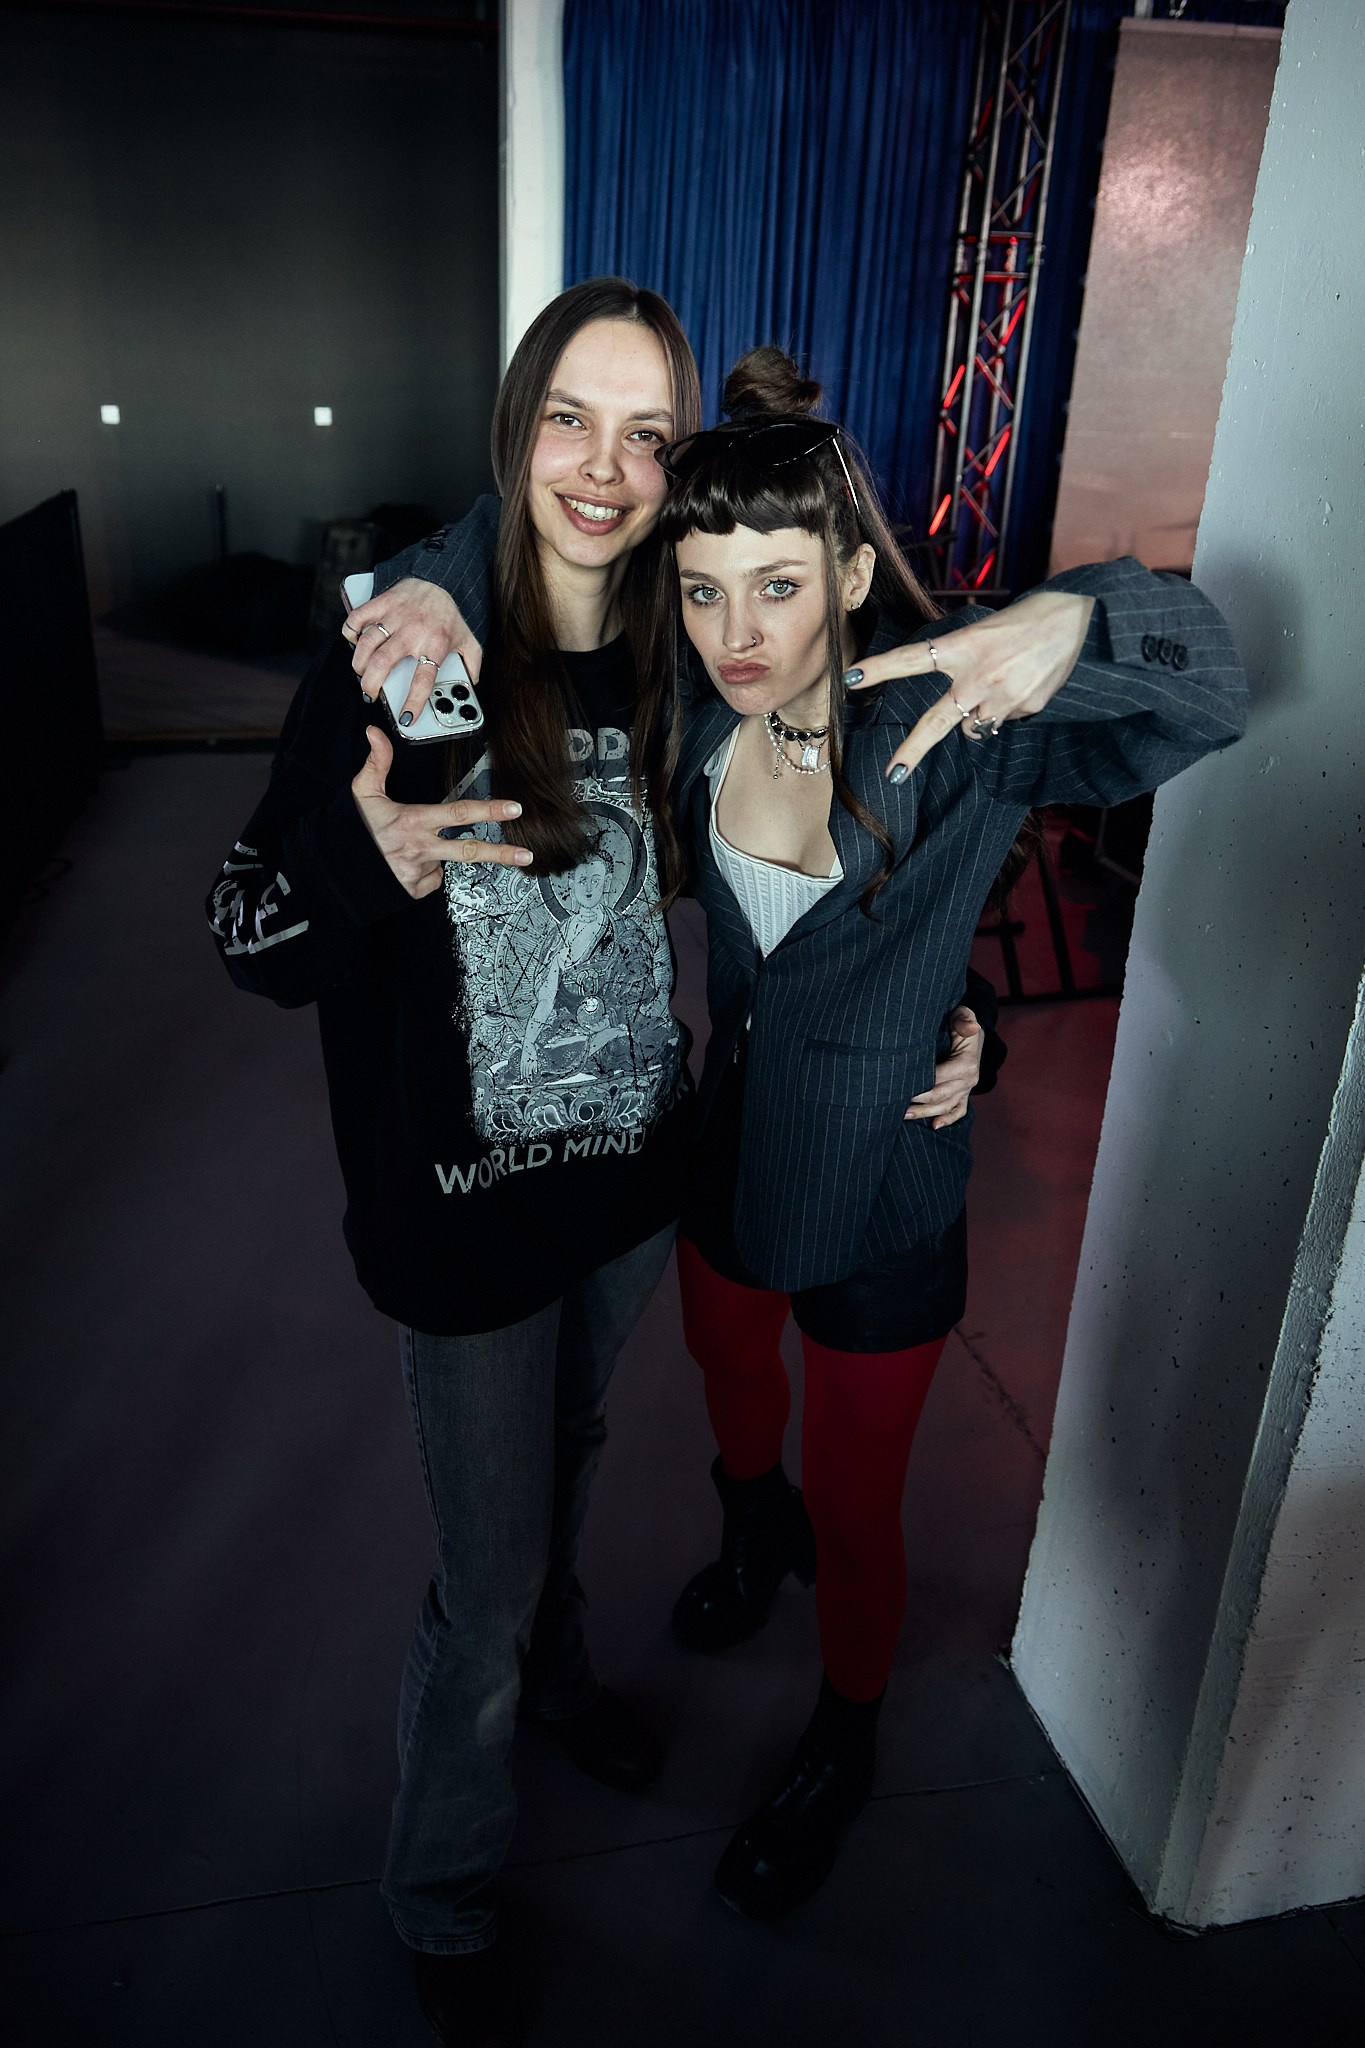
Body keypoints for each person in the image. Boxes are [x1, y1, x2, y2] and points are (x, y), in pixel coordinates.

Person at [641, 346, 1247, 1919]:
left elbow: (1212, 685)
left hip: (884, 1194)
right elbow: (801, 956)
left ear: (851, 575)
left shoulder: (961, 720)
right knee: (727, 1384)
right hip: (728, 1151)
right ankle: (745, 1527)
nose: (735, 633)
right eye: (704, 591)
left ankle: (842, 1737)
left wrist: (1077, 617)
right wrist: (965, 1003)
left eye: (778, 586)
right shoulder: (692, 722)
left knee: (857, 1505)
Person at [207, 278, 708, 2048]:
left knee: (575, 1449)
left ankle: (562, 1679)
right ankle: (437, 1894)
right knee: (480, 1591)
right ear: (515, 430)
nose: (605, 468)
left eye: (646, 435)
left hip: (626, 1181)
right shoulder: (399, 663)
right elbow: (244, 936)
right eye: (569, 418)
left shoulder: (677, 642)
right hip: (465, 1221)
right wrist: (369, 867)